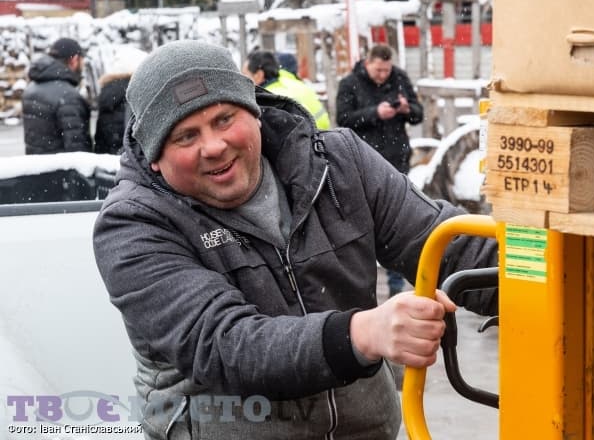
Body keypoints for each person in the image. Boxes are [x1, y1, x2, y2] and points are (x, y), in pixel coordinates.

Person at [92, 40, 497, 440]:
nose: (213, 146)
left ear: (254, 110)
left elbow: (451, 245)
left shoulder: (340, 163)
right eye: (185, 136)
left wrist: (527, 277)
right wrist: (362, 333)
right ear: (154, 157)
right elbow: (226, 347)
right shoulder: (132, 224)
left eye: (224, 119)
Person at [336, 43, 424, 296]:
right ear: (367, 63)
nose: (383, 75)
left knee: (397, 223)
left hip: (396, 160)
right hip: (362, 162)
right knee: (363, 223)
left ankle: (397, 285)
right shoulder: (350, 83)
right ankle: (362, 285)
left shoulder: (400, 78)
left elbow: (419, 114)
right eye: (378, 70)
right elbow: (343, 119)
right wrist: (375, 113)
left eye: (387, 70)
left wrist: (407, 109)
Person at [22, 37, 92, 154]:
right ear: (74, 60)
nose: (82, 66)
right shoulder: (68, 96)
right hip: (61, 165)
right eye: (82, 61)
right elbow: (78, 151)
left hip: (36, 163)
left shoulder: (31, 89)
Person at [242, 49, 331, 130]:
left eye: (245, 75)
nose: (242, 79)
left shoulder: (267, 101)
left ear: (259, 75)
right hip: (323, 135)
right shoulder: (293, 83)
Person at [94, 46, 147, 154]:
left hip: (108, 160)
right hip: (132, 160)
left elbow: (100, 140)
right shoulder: (137, 94)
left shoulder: (107, 94)